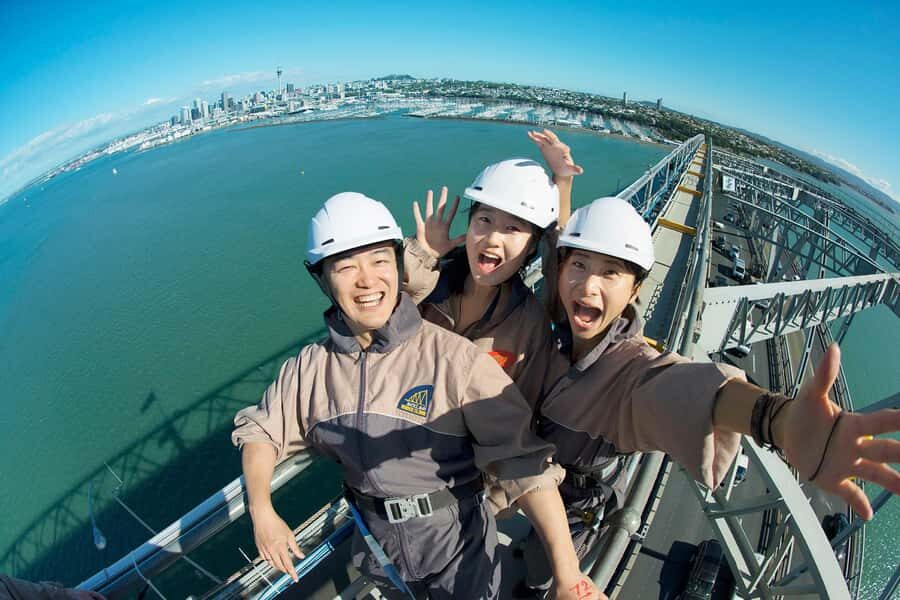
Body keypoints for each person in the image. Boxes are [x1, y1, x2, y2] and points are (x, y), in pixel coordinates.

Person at [232, 192, 604, 600]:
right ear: (323, 279)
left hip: (458, 546)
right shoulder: (311, 368)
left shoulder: (453, 358)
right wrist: (261, 510)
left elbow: (526, 464)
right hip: (379, 550)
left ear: (397, 262)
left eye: (379, 261)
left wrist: (567, 575)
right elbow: (262, 431)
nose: (367, 280)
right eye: (346, 267)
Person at [520, 196, 900, 593]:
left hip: (573, 505)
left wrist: (777, 419)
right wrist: (563, 184)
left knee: (540, 570)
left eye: (610, 272)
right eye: (579, 265)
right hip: (529, 471)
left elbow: (692, 391)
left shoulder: (630, 373)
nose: (588, 285)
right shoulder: (558, 314)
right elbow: (556, 250)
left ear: (635, 290)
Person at [403, 129, 583, 408]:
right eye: (484, 220)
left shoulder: (529, 325)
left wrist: (563, 180)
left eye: (512, 228)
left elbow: (520, 413)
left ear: (533, 245)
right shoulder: (427, 284)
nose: (492, 239)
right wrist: (421, 256)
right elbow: (374, 325)